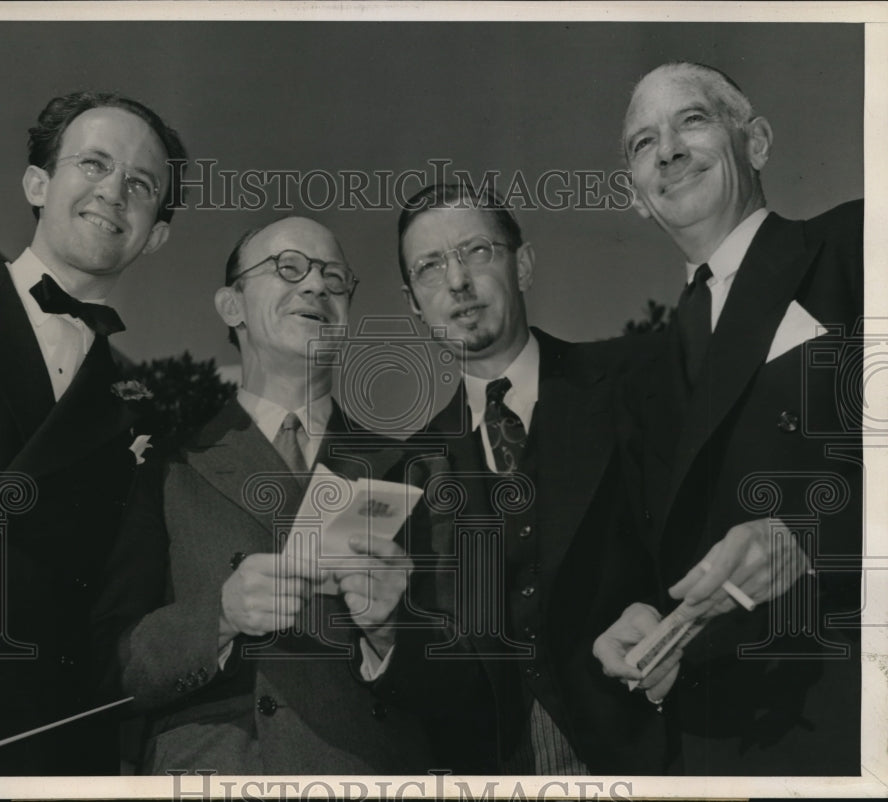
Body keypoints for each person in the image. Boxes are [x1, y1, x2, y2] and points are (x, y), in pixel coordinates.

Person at [593, 62, 863, 775]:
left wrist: (812, 535)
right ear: (635, 194)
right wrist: (634, 622)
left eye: (692, 120)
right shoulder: (638, 378)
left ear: (760, 141)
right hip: (711, 751)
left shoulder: (861, 245)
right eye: (642, 142)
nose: (669, 151)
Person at [93, 216, 434, 774]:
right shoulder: (166, 468)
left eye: (334, 276)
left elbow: (476, 676)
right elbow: (110, 665)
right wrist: (219, 618)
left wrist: (390, 633)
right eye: (289, 268)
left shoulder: (413, 468)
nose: (316, 286)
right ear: (232, 307)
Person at [0, 90, 187, 775]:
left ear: (155, 233)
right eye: (92, 164)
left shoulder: (147, 412)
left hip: (39, 739)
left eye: (141, 184)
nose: (113, 192)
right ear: (38, 182)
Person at [377, 183, 667, 774]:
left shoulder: (637, 380)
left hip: (654, 751)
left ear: (524, 264)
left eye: (476, 252)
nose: (456, 281)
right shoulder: (411, 473)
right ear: (415, 304)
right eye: (429, 268)